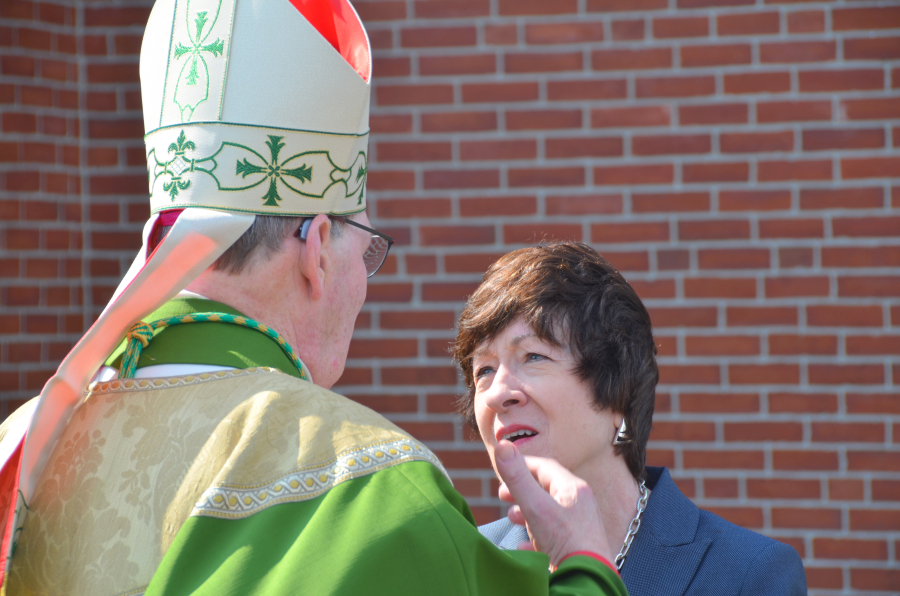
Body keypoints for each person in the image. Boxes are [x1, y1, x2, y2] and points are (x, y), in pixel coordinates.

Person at [0, 2, 628, 595]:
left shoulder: (31, 451)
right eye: (367, 248)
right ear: (318, 248)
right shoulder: (362, 484)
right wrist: (584, 557)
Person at [454, 242, 808, 596]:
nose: (498, 393)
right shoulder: (464, 564)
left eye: (533, 356)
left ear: (618, 393)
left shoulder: (749, 573)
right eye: (484, 369)